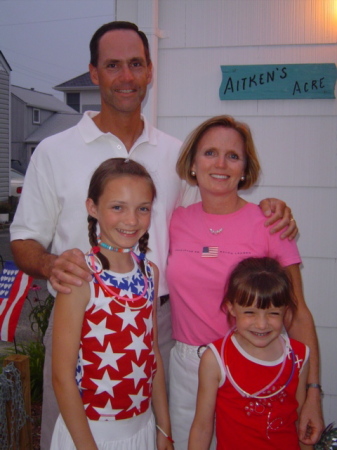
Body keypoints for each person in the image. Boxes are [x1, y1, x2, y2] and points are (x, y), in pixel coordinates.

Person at [10, 21, 296, 449]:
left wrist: (271, 209)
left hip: (158, 319)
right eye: (113, 65)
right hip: (80, 316)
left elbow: (214, 204)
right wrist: (52, 263)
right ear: (93, 73)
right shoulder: (55, 151)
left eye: (136, 64)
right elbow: (22, 240)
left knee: (150, 435)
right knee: (69, 429)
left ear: (149, 72)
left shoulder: (174, 153)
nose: (126, 76)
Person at [166, 115, 323, 450]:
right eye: (210, 153)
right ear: (193, 163)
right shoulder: (173, 220)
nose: (221, 164)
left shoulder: (269, 223)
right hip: (189, 368)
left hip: (257, 362)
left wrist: (312, 394)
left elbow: (298, 313)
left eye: (233, 156)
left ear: (244, 168)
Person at [51, 158, 173, 449]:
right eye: (118, 207)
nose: (132, 220)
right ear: (92, 208)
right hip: (90, 434)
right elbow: (61, 377)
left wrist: (164, 428)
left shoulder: (149, 273)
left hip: (141, 425)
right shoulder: (80, 276)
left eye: (142, 208)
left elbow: (152, 352)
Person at [188, 257, 311, 450]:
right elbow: (202, 427)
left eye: (273, 313)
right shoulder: (215, 359)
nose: (261, 324)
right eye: (250, 313)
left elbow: (300, 422)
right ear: (231, 308)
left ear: (285, 311)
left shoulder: (299, 355)